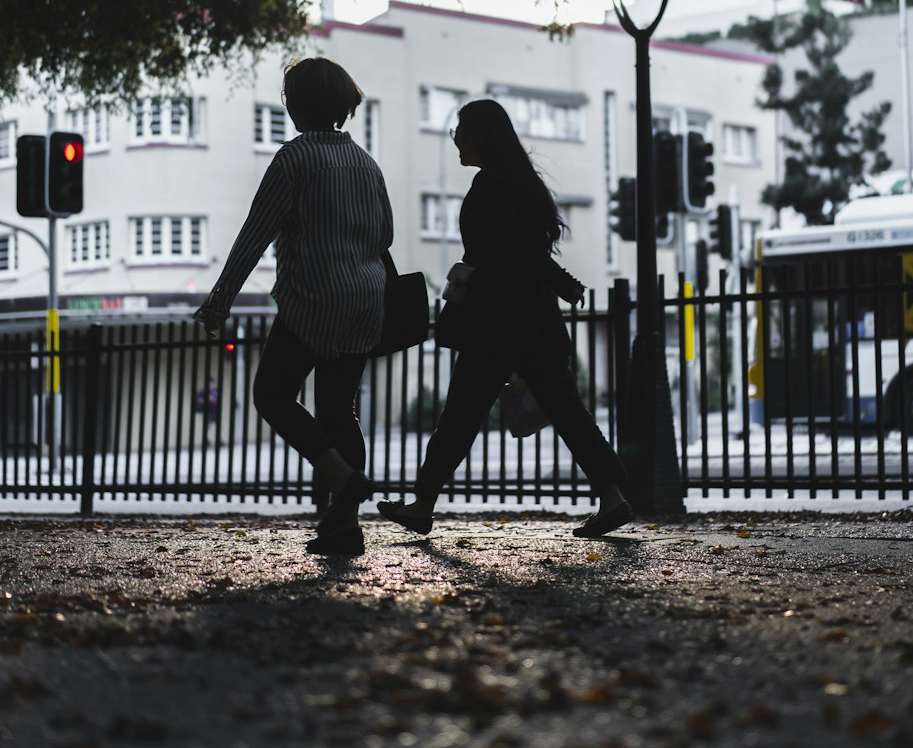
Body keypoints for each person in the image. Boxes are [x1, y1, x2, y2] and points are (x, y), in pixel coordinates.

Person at [378, 98, 631, 539]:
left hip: (494, 324)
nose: (455, 137)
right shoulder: (520, 184)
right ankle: (613, 497)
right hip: (534, 322)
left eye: (461, 128)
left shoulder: (489, 187)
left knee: (458, 417)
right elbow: (526, 250)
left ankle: (421, 506)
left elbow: (515, 250)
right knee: (568, 412)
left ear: (481, 136)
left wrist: (559, 280)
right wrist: (559, 283)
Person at [194, 56, 392, 557]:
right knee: (338, 411)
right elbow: (385, 234)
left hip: (313, 300)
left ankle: (343, 480)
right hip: (365, 301)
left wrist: (219, 303)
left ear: (296, 105)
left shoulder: (294, 159)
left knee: (273, 395)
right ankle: (344, 527)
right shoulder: (368, 164)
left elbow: (254, 236)